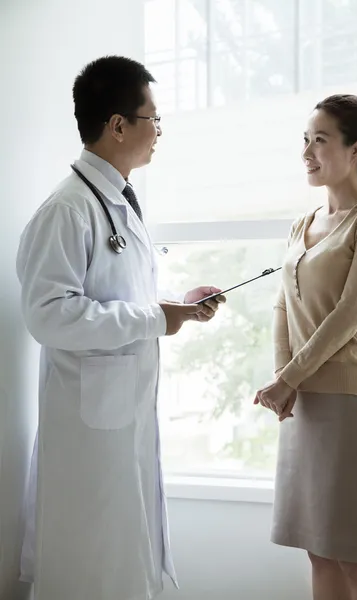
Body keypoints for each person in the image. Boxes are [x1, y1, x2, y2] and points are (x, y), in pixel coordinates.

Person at [16, 55, 225, 600]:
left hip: (118, 417)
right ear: (118, 126)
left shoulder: (116, 202)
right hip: (89, 435)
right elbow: (48, 314)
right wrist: (157, 318)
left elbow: (114, 301)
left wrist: (175, 305)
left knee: (122, 567)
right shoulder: (66, 210)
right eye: (153, 119)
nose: (159, 132)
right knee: (92, 571)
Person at [254, 94, 357, 600]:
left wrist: (288, 378)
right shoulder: (304, 223)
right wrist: (283, 384)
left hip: (347, 404)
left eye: (321, 140)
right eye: (305, 139)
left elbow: (348, 315)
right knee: (319, 551)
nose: (308, 151)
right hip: (303, 404)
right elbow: (282, 309)